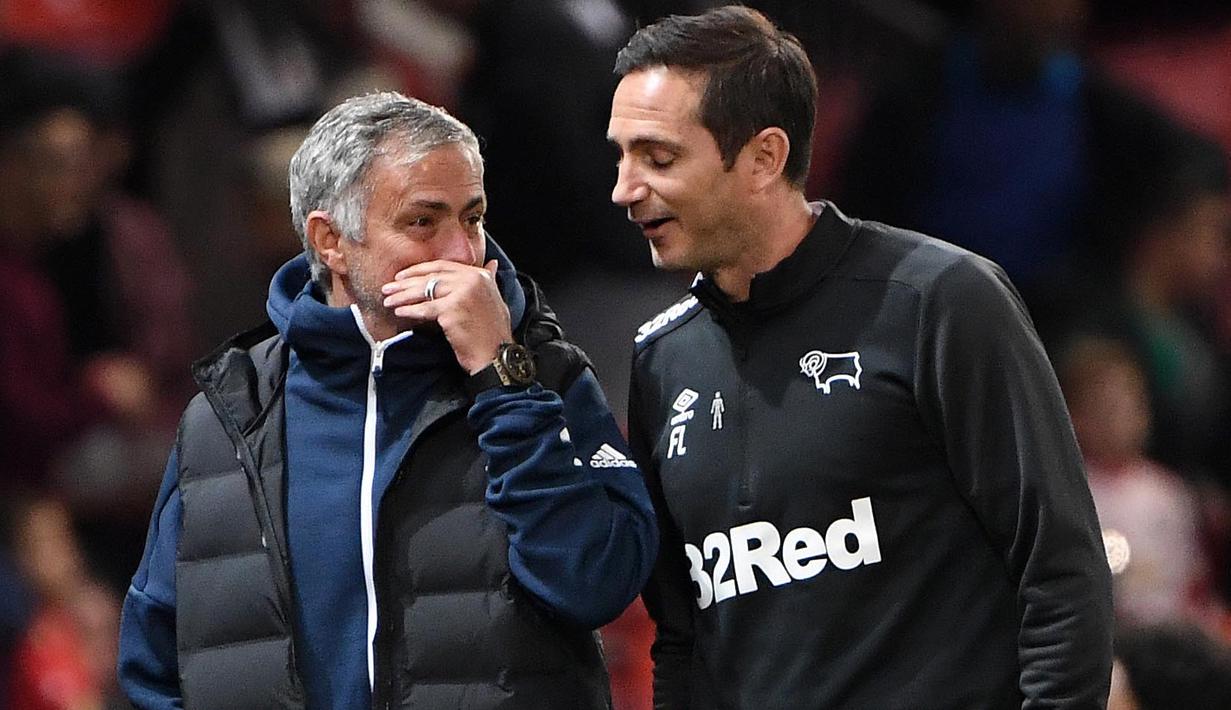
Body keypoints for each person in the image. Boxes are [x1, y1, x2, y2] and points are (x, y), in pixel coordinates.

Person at [607, 6, 1113, 707]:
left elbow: (1058, 571)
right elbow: (683, 636)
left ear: (763, 159)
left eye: (658, 158)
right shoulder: (662, 359)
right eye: (620, 154)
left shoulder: (937, 301)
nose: (624, 189)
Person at [117, 92, 658, 709]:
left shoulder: (544, 378)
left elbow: (597, 582)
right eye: (423, 222)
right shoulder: (228, 416)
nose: (461, 253)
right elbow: (155, 659)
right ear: (331, 242)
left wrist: (501, 380)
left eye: (472, 218)